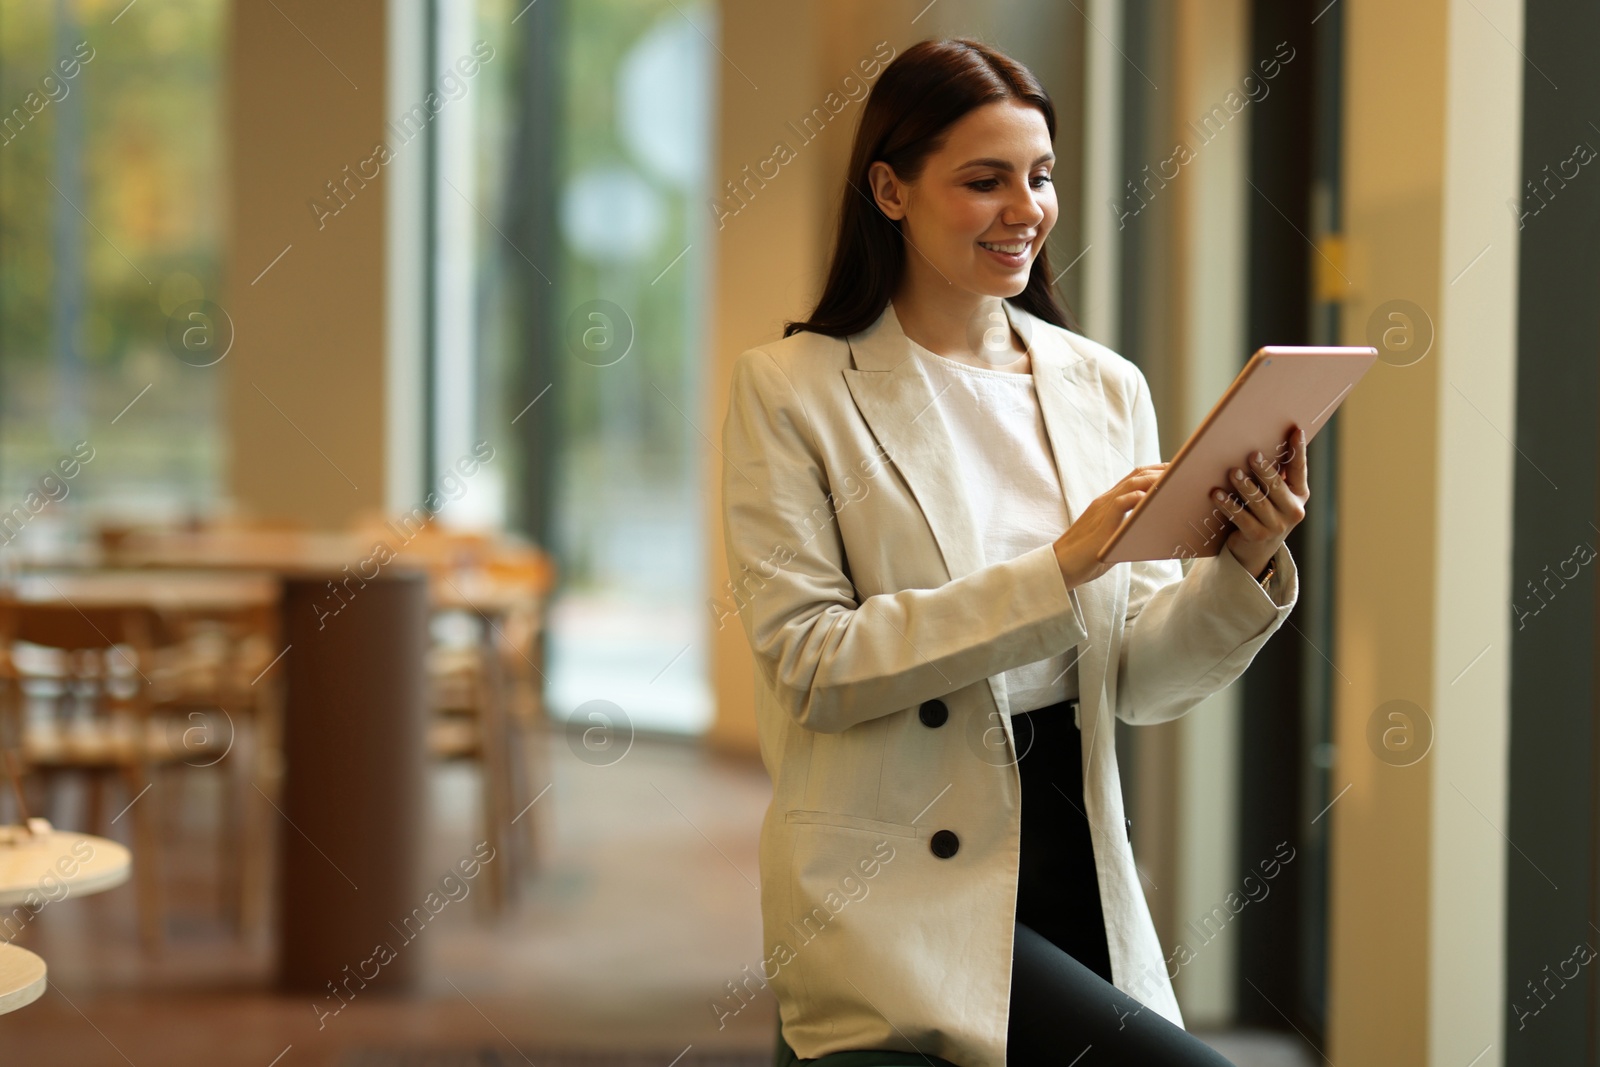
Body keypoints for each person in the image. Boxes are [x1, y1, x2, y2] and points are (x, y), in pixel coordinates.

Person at [719, 36, 1306, 1067]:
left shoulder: (1103, 385)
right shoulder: (793, 389)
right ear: (890, 190)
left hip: (1071, 843)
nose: (1024, 207)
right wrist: (1057, 569)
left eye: (1039, 177)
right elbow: (810, 662)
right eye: (982, 180)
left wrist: (1240, 566)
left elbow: (1139, 680)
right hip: (891, 869)